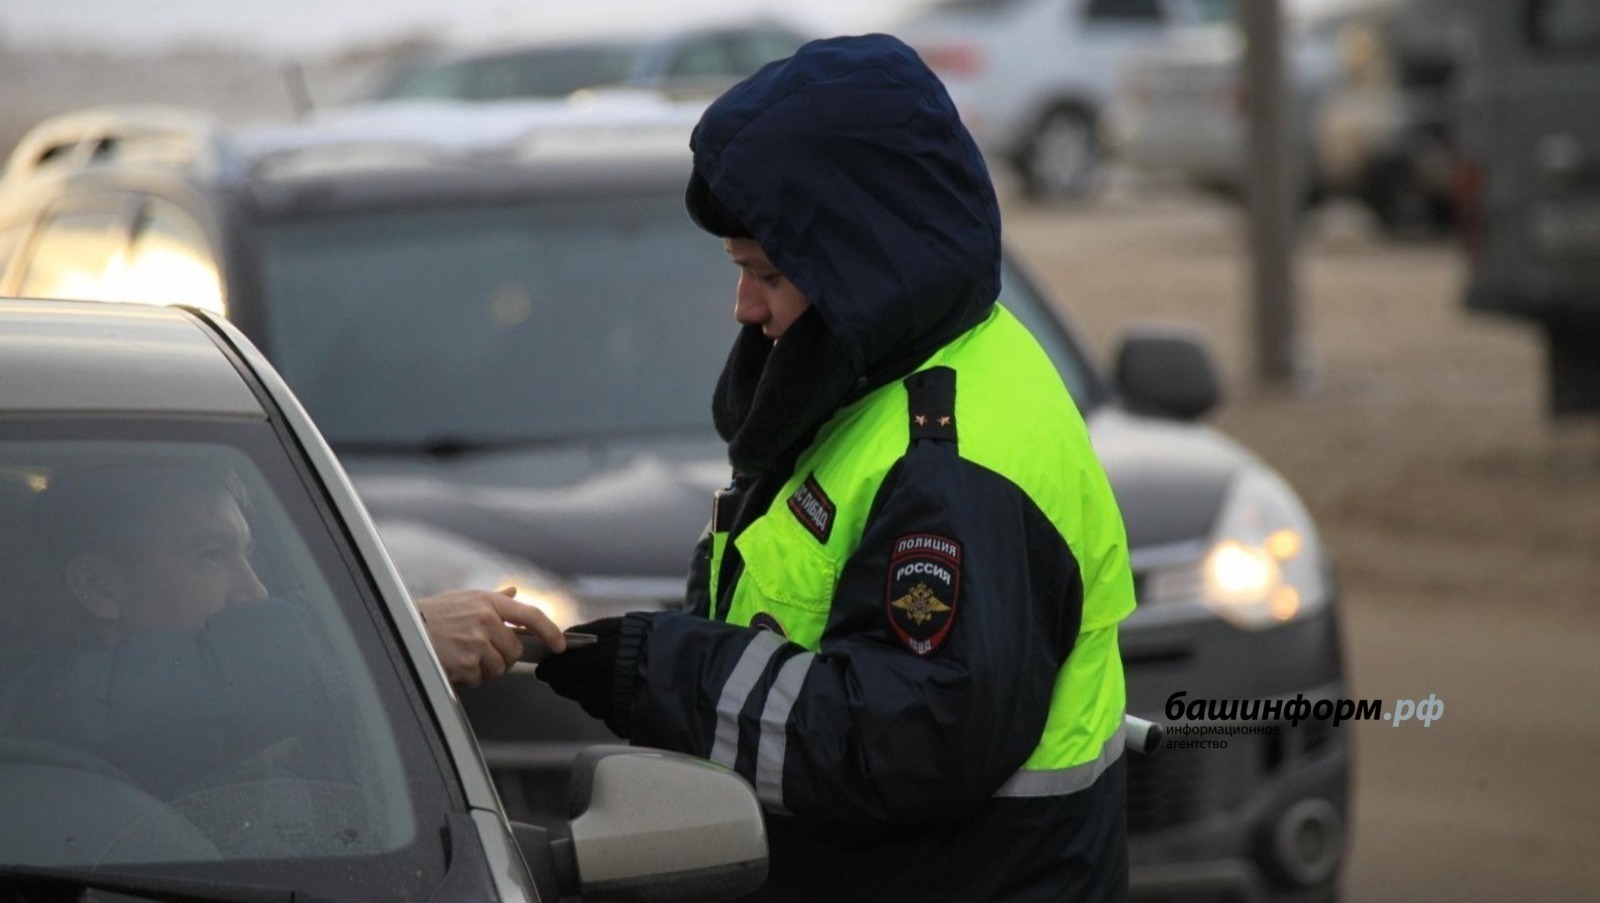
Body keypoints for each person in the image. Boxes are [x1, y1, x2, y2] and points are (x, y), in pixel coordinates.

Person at [534, 34, 1135, 902]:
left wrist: (651, 669)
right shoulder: (886, 367)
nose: (744, 305)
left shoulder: (950, 462)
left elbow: (897, 744)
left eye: (768, 272)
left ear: (864, 266)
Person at [4, 460, 562, 797]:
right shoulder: (35, 714)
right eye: (209, 556)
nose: (254, 592)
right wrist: (397, 639)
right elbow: (164, 696)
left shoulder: (281, 717)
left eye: (247, 553)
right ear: (99, 588)